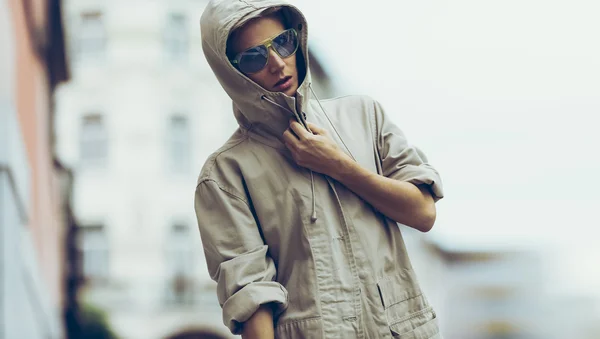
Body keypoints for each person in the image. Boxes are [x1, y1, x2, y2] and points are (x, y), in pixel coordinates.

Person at [195, 0, 444, 338]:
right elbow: (253, 300)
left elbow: (423, 213)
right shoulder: (225, 174)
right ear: (232, 72)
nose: (277, 63)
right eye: (254, 57)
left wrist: (339, 165)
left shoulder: (365, 115)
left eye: (283, 43)